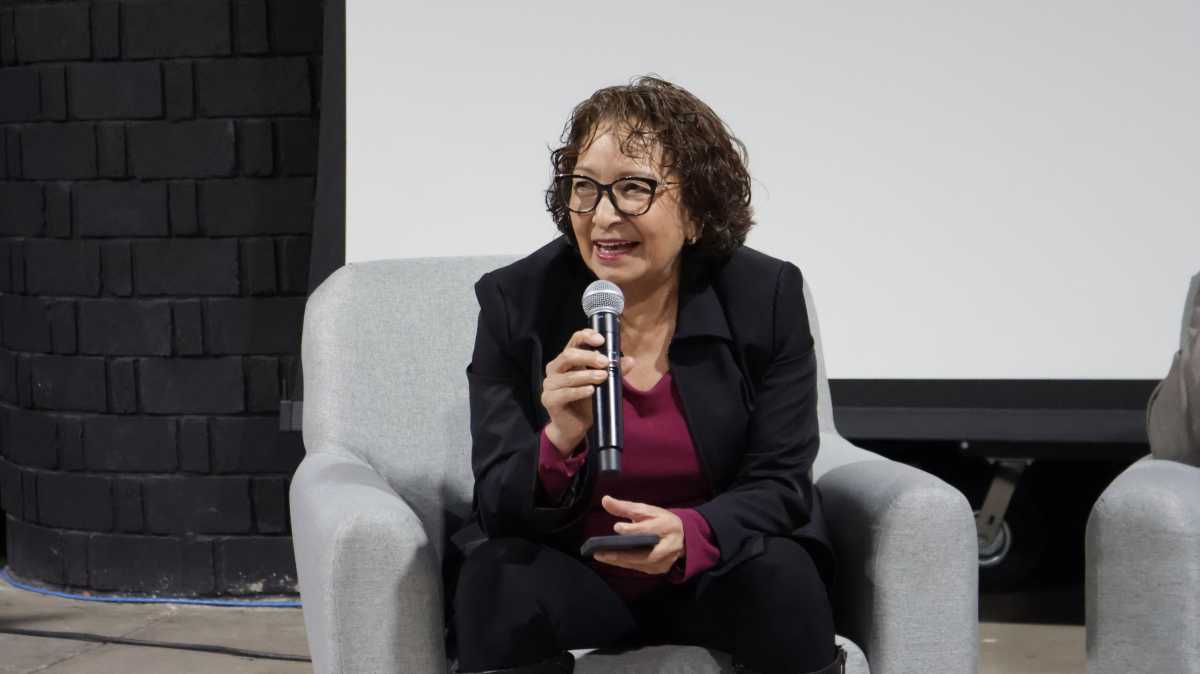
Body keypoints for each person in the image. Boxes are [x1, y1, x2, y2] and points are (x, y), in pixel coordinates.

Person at [450, 76, 844, 674]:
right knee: (495, 578)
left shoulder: (764, 296)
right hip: (576, 568)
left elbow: (782, 480)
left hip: (713, 567)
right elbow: (497, 505)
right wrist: (558, 439)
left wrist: (693, 530)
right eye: (585, 187)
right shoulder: (515, 302)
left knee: (782, 574)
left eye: (634, 188)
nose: (604, 216)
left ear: (697, 210)